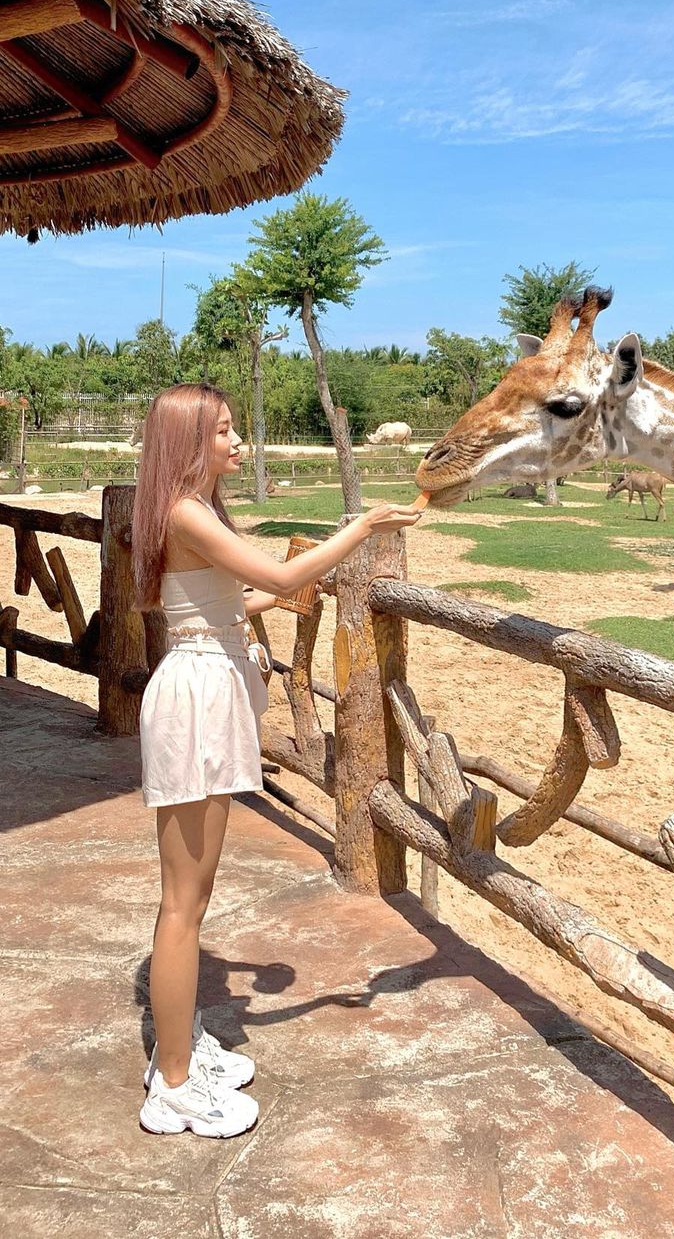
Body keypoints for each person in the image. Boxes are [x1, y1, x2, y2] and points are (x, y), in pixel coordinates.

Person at [131, 383, 423, 1137]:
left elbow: (225, 602)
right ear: (189, 441)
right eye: (223, 432)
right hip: (196, 699)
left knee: (189, 900)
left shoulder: (192, 509)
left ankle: (178, 1043)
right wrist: (362, 525)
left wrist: (282, 587)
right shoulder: (187, 512)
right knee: (182, 907)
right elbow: (283, 580)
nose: (235, 443)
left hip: (206, 687)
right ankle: (172, 1084)